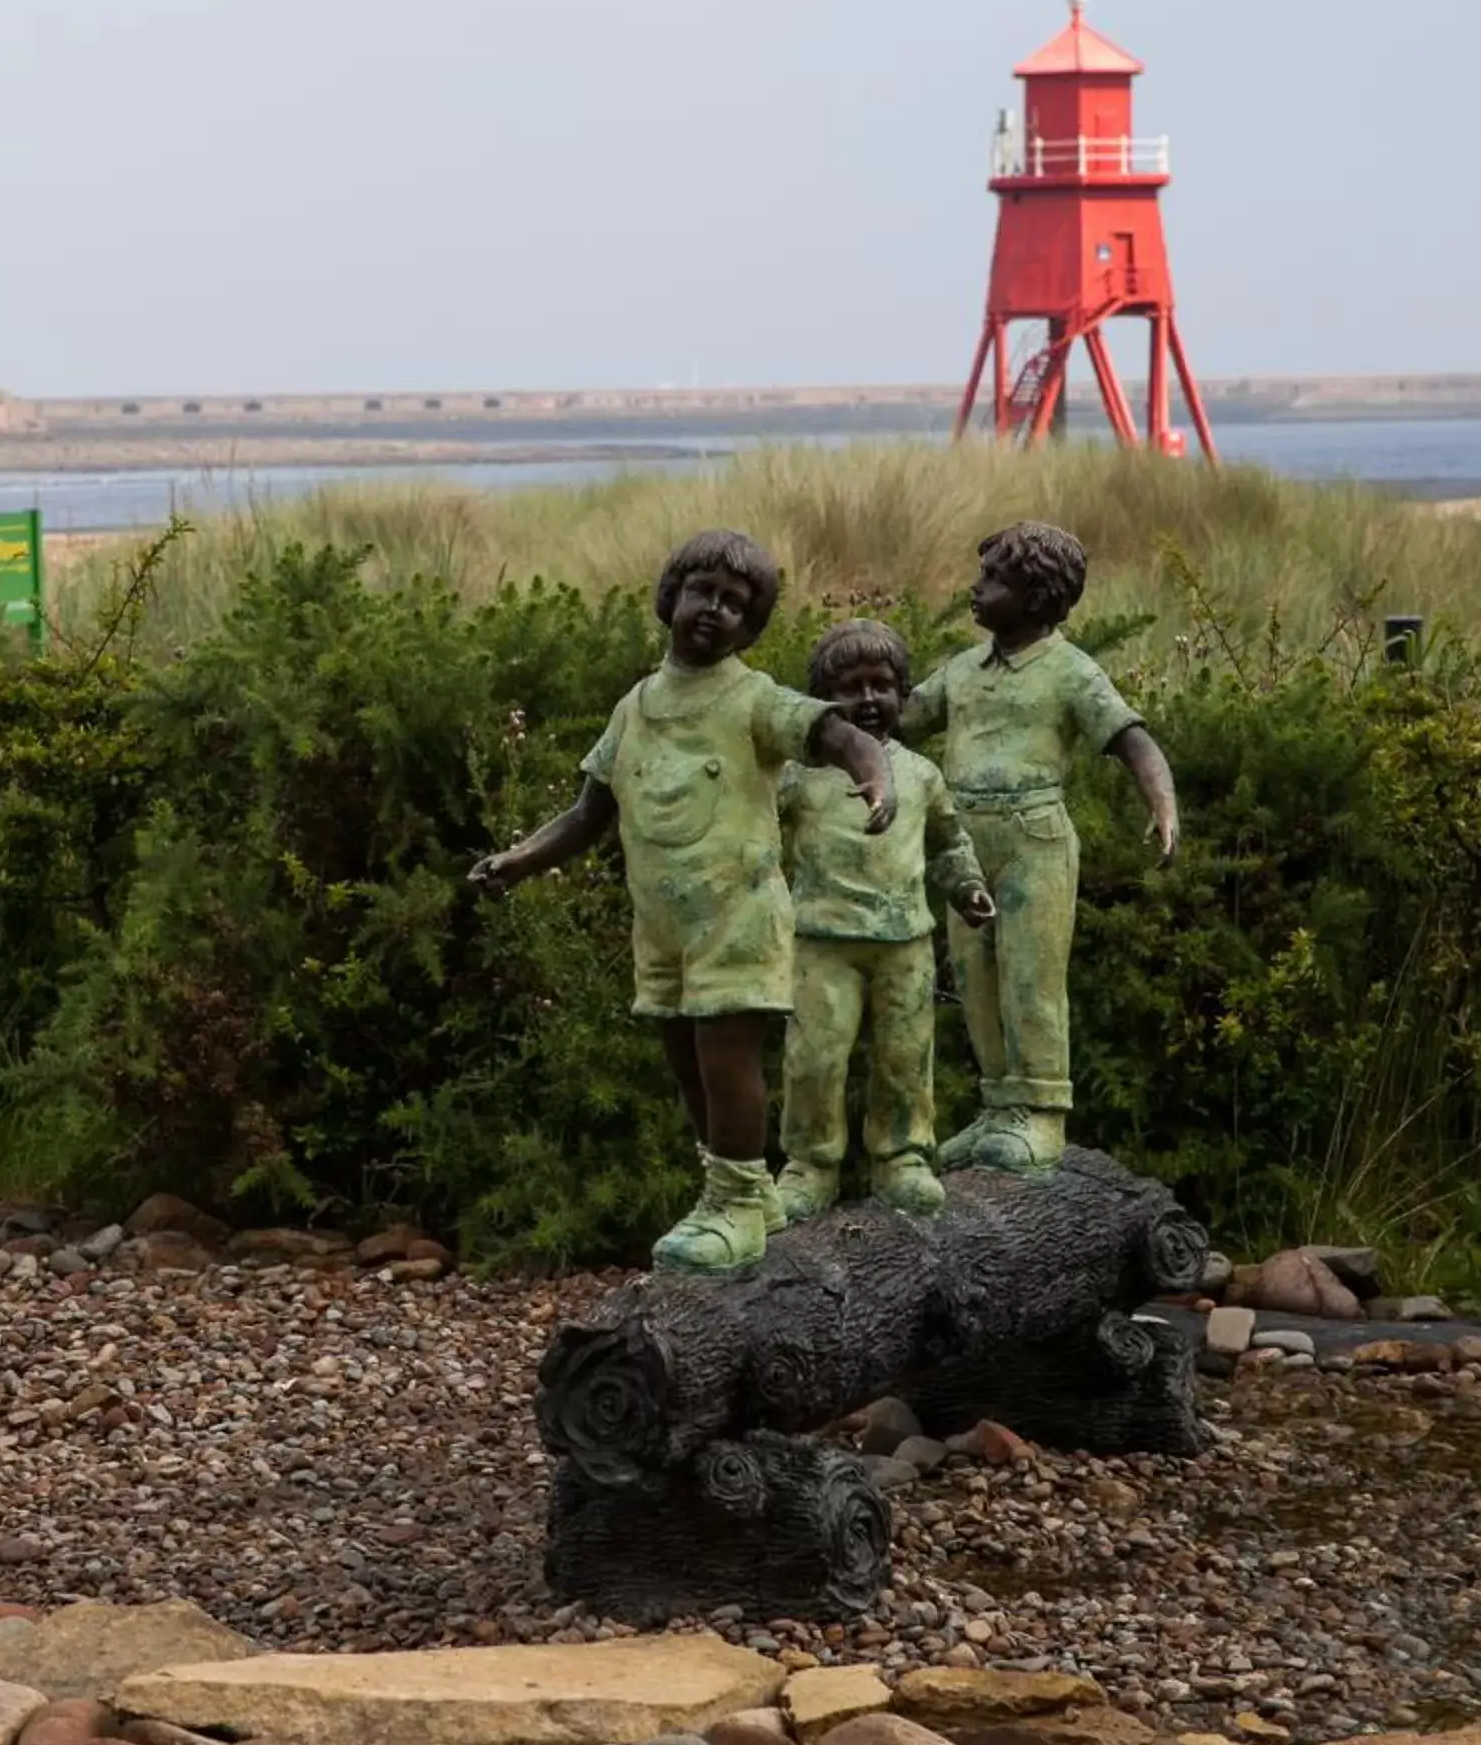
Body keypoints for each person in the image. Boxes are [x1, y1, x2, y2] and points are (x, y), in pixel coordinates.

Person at [471, 529, 893, 1275]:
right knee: (687, 1063)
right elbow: (586, 812)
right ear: (672, 596)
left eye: (736, 605)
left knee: (727, 1059)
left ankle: (732, 1203)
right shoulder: (635, 708)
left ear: (751, 626)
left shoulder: (753, 699)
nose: (714, 610)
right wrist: (519, 859)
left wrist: (875, 772)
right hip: (664, 930)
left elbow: (830, 731)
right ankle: (746, 1195)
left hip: (738, 919)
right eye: (703, 592)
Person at [897, 521, 1177, 1175]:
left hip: (1035, 842)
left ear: (1035, 594)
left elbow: (1131, 739)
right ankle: (1000, 1106)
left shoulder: (1070, 672)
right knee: (975, 981)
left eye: (994, 578)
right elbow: (902, 716)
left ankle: (1042, 1114)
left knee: (1031, 979)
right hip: (961, 846)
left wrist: (1163, 806)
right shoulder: (963, 672)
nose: (977, 587)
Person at [772, 620, 996, 1225]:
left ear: (903, 693)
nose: (869, 700)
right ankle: (810, 1165)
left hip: (906, 945)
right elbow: (756, 842)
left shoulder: (920, 774)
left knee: (904, 1057)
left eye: (883, 686)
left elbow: (949, 845)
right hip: (820, 943)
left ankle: (901, 1157)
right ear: (824, 701)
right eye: (851, 688)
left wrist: (968, 888)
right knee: (815, 1058)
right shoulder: (799, 778)